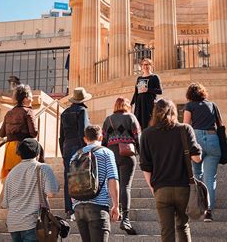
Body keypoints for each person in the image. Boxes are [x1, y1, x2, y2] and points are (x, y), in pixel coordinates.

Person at [140, 99, 202, 242]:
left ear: (154, 113)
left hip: (161, 188)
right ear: (173, 112)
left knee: (166, 231)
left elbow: (145, 166)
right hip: (183, 187)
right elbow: (197, 158)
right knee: (183, 226)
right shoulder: (184, 129)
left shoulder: (147, 134)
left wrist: (152, 187)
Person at [2, 138, 60, 242]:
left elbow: (5, 204)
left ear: (19, 154)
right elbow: (51, 193)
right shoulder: (43, 168)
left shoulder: (11, 173)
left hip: (13, 224)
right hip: (32, 222)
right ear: (38, 153)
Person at [72, 125, 120, 242]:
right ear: (101, 137)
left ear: (85, 139)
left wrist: (75, 204)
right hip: (98, 207)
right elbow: (112, 179)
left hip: (79, 208)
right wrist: (116, 205)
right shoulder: (106, 153)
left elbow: (71, 182)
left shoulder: (75, 155)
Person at [102, 97, 141, 235]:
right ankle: (125, 219)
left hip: (111, 154)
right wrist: (142, 155)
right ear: (126, 105)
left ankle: (113, 211)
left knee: (113, 183)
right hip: (127, 154)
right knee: (125, 186)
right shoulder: (131, 117)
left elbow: (104, 139)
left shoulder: (108, 119)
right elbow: (137, 136)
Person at [183, 82, 221, 222]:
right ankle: (208, 211)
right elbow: (220, 124)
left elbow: (186, 125)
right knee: (210, 178)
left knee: (196, 174)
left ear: (189, 95)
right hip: (213, 139)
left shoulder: (190, 106)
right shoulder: (212, 105)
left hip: (196, 139)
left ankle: (197, 206)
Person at [59, 87, 91, 219]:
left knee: (68, 179)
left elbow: (61, 137)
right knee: (82, 176)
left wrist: (62, 153)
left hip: (67, 147)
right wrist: (85, 150)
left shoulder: (64, 113)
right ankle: (81, 206)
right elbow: (83, 132)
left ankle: (69, 209)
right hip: (78, 146)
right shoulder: (82, 111)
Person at [0, 84, 38, 180]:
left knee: (12, 179)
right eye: (31, 97)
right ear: (25, 98)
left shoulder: (9, 113)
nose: (32, 100)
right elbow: (34, 133)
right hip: (23, 149)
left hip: (10, 149)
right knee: (24, 180)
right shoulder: (28, 112)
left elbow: (1, 134)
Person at [131, 58, 162, 129]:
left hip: (149, 104)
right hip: (139, 105)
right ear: (141, 66)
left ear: (151, 66)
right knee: (138, 124)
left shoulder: (154, 77)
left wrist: (148, 89)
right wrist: (131, 104)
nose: (145, 66)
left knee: (149, 122)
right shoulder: (139, 78)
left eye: (147, 64)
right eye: (144, 65)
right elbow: (136, 93)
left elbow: (160, 91)